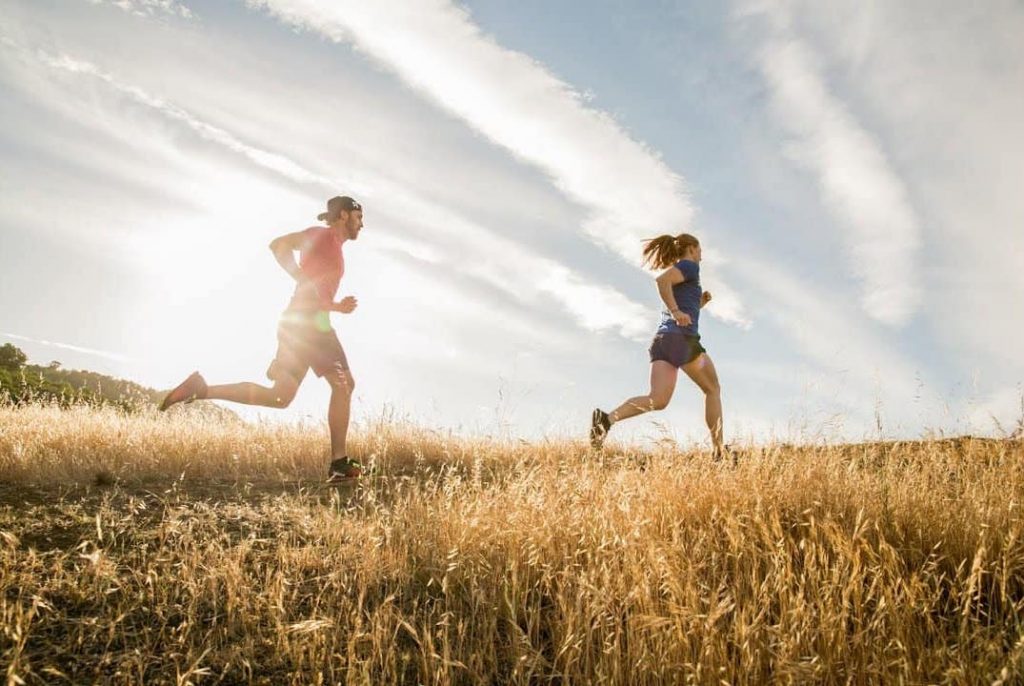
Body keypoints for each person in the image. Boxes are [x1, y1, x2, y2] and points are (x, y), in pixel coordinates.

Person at [160, 196, 365, 481]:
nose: (362, 224)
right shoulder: (321, 236)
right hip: (310, 325)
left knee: (280, 397)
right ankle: (339, 463)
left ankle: (202, 389)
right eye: (358, 217)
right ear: (343, 215)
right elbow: (279, 245)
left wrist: (335, 306)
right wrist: (300, 278)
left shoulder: (332, 245)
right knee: (344, 384)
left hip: (299, 323)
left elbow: (316, 294)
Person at [590, 233, 728, 460]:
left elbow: (680, 305)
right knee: (712, 390)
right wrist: (676, 312)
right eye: (700, 250)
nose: (702, 256)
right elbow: (662, 281)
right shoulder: (690, 267)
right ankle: (719, 451)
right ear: (692, 248)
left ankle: (606, 420)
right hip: (682, 341)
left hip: (664, 341)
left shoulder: (684, 274)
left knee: (658, 400)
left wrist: (698, 304)